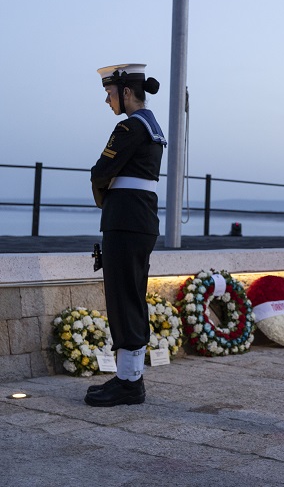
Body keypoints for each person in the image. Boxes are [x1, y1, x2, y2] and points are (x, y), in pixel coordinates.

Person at [86, 64, 166, 406]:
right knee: (128, 296)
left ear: (127, 93)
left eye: (110, 94)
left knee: (124, 298)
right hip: (137, 219)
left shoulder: (131, 126)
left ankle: (130, 383)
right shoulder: (150, 126)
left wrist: (102, 192)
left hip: (126, 220)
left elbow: (100, 172)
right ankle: (127, 377)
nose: (108, 101)